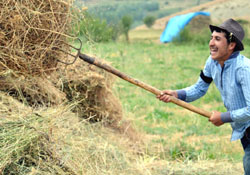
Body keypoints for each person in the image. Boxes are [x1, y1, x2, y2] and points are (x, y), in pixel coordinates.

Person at [157, 18, 250, 175]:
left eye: (217, 39)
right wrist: (176, 94)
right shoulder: (212, 62)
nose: (211, 43)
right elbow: (199, 88)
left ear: (231, 45)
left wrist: (224, 117)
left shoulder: (243, 69)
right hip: (244, 131)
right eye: (211, 38)